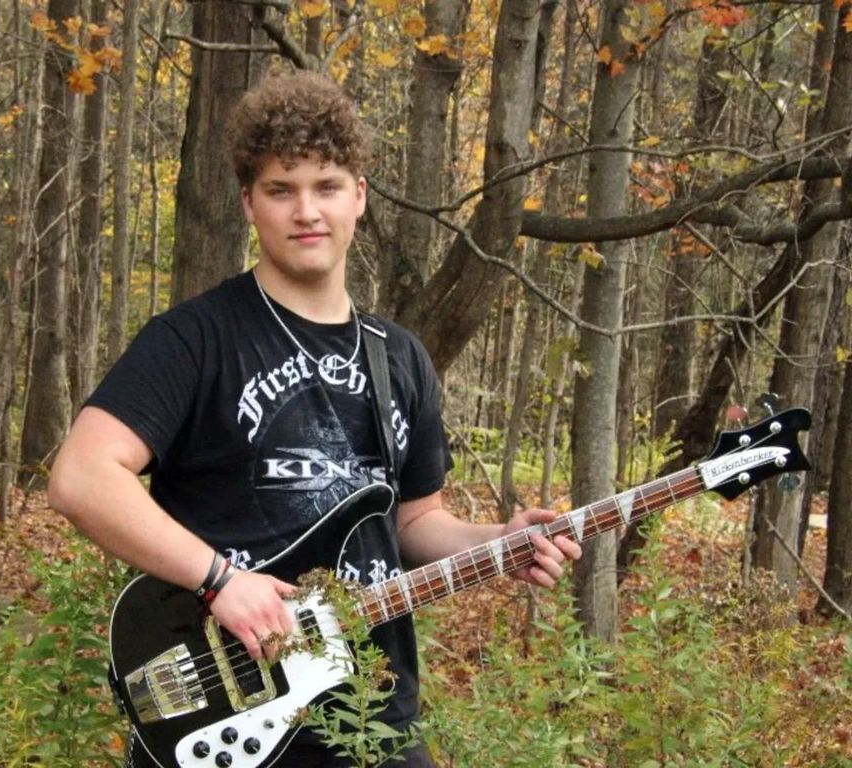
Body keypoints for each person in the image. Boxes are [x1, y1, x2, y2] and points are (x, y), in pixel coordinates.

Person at [47, 70, 582, 768]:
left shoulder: (400, 358)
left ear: (359, 195)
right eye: (281, 189)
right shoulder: (195, 339)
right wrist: (220, 580)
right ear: (249, 202)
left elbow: (414, 522)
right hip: (231, 714)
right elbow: (82, 477)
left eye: (326, 186)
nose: (307, 211)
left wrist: (498, 542)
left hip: (373, 718)